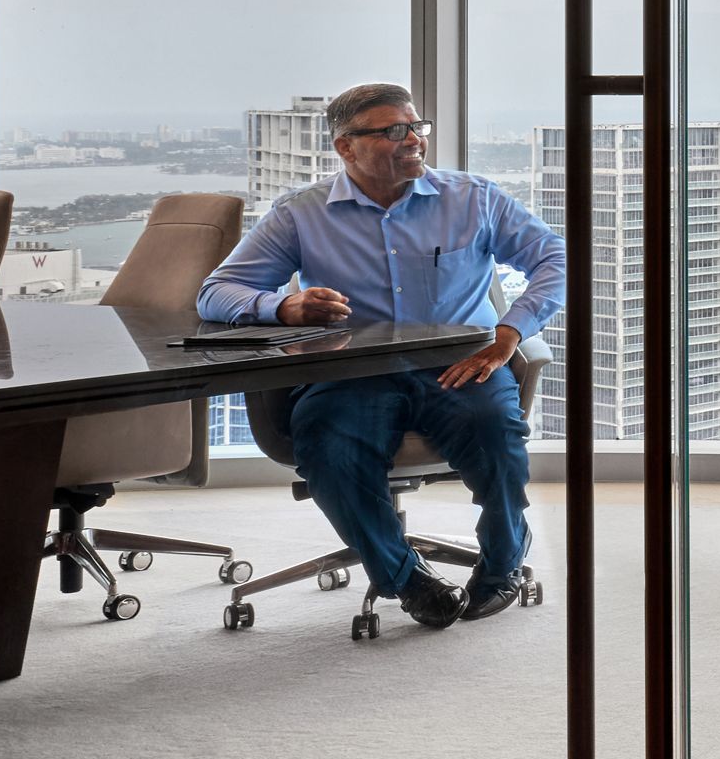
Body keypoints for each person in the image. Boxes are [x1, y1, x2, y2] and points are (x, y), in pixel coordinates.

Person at [198, 84, 567, 629]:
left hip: (460, 364)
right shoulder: (302, 215)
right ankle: (404, 577)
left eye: (417, 127)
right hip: (352, 370)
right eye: (394, 131)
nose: (414, 139)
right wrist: (284, 306)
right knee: (330, 449)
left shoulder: (474, 199)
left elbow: (554, 259)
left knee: (497, 439)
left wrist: (511, 330)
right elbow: (216, 291)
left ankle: (503, 564)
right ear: (346, 147)